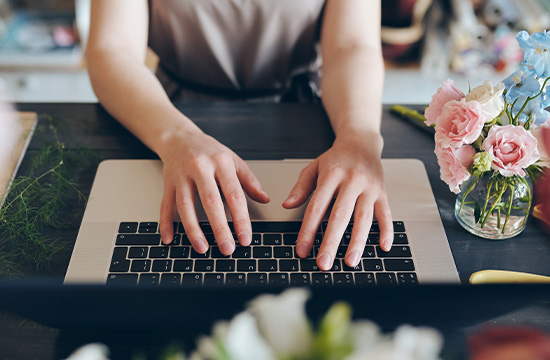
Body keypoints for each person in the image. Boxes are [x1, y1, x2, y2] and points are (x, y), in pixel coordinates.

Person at [86, 0, 393, 271]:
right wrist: (175, 137)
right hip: (166, 119)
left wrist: (359, 138)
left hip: (308, 120)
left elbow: (352, 46)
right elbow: (112, 49)